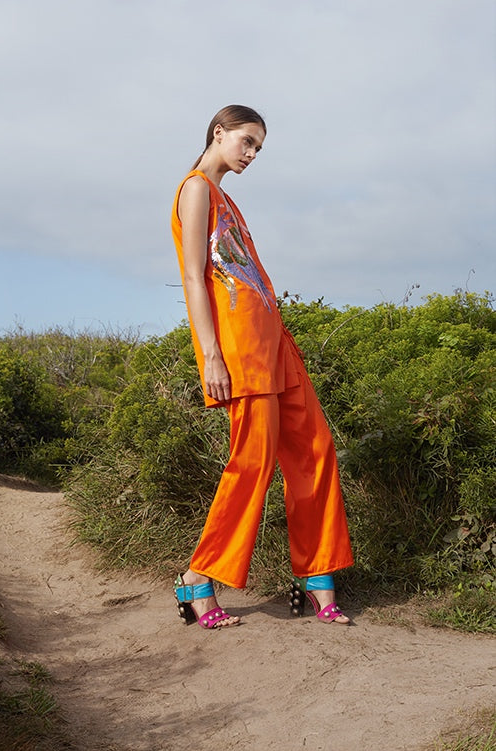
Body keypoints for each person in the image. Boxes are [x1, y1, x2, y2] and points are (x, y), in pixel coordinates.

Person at [171, 105, 354, 630]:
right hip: (240, 348)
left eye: (258, 148)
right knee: (252, 461)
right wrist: (210, 354)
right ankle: (199, 580)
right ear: (218, 132)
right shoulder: (196, 188)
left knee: (315, 448)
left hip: (275, 341)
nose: (251, 154)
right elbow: (193, 276)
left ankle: (318, 577)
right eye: (246, 141)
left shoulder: (226, 198)